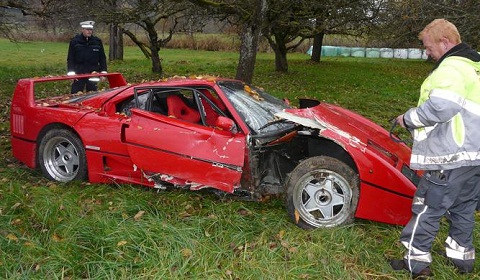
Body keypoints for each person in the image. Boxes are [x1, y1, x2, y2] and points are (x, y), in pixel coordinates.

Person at [390, 18, 480, 278]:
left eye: (429, 47)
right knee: (463, 209)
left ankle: (416, 263)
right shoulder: (474, 66)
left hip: (449, 157)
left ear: (445, 42)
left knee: (427, 208)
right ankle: (462, 260)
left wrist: (408, 118)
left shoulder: (452, 68)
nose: (428, 53)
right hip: (473, 157)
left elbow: (441, 107)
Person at [67, 20, 107, 93]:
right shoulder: (75, 41)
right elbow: (70, 58)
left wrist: (103, 72)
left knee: (92, 94)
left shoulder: (97, 42)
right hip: (78, 73)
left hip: (93, 73)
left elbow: (102, 58)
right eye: (87, 29)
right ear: (82, 30)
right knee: (75, 95)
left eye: (91, 29)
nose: (89, 31)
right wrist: (71, 74)